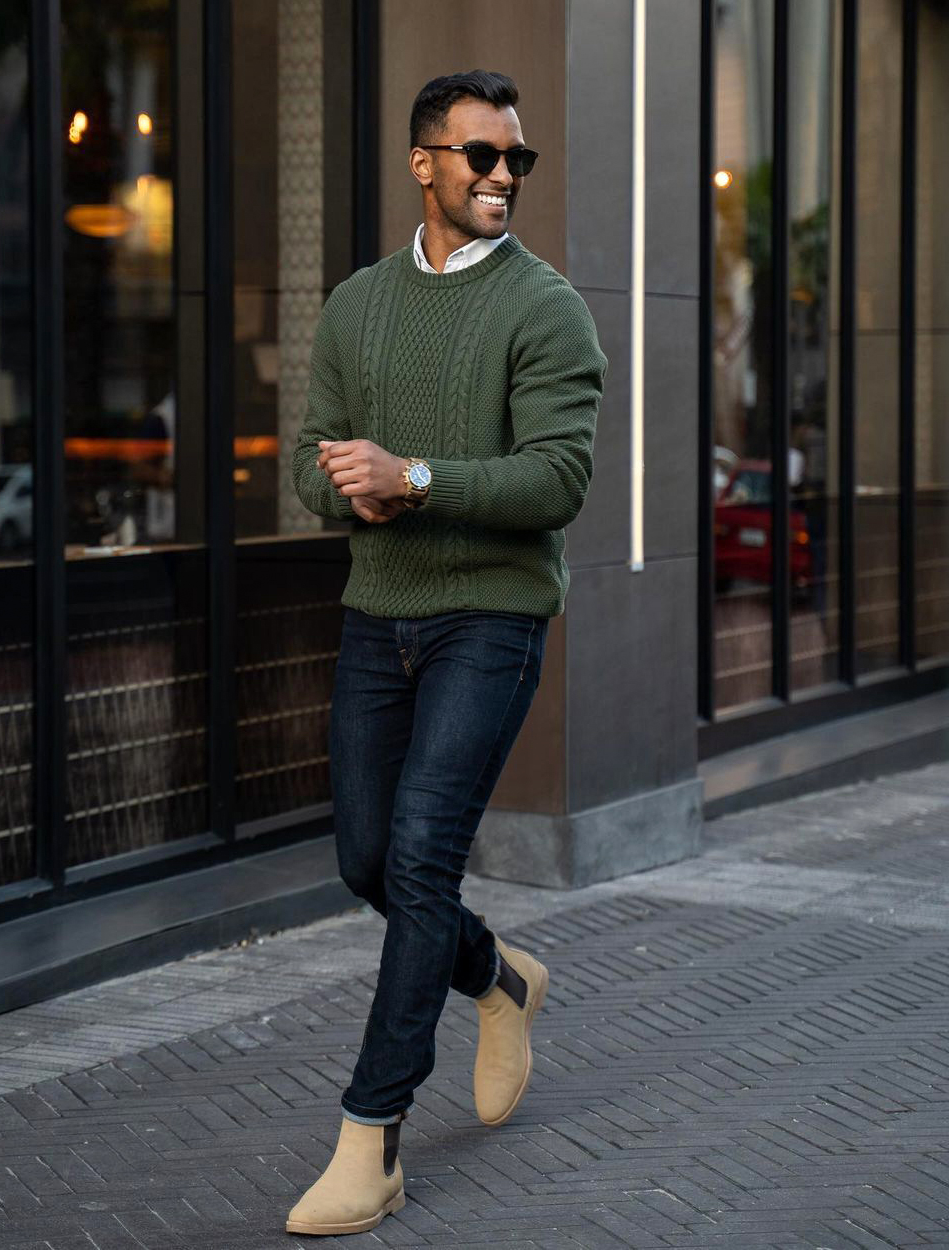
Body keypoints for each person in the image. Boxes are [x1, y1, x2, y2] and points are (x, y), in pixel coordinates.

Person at [286, 70, 606, 1237]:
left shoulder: (547, 308)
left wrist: (414, 477)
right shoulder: (358, 303)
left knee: (420, 856)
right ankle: (502, 978)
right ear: (424, 164)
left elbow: (558, 479)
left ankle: (369, 1140)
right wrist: (351, 495)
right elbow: (302, 465)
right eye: (479, 156)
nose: (501, 176)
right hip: (381, 613)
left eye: (515, 159)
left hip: (491, 617)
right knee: (367, 860)